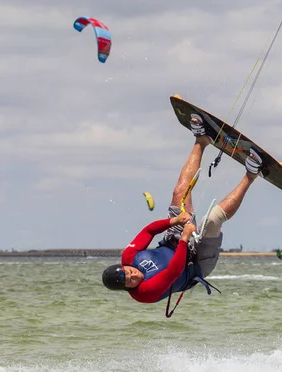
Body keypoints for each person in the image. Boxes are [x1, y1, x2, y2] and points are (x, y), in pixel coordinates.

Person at [101, 114, 263, 304]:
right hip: (197, 263)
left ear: (125, 266)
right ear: (126, 289)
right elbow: (174, 271)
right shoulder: (145, 293)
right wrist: (185, 237)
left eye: (129, 272)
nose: (134, 276)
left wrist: (174, 222)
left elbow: (149, 231)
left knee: (179, 192)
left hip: (174, 242)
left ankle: (201, 139)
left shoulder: (129, 256)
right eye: (130, 282)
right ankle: (252, 174)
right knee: (211, 220)